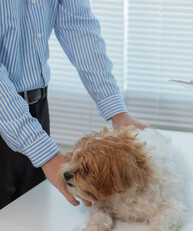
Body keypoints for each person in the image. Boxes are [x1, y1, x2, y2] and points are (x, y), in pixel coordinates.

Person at [0, 0, 147, 209]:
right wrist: (44, 152)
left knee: (30, 215)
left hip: (37, 109)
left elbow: (79, 27)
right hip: (6, 111)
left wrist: (117, 111)